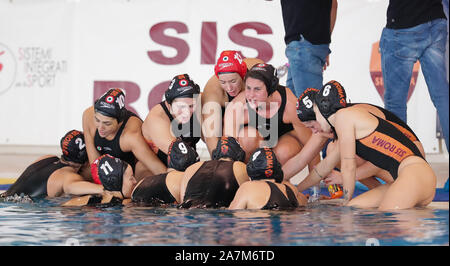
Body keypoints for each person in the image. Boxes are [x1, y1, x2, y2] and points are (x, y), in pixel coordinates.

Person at [299, 82, 436, 210]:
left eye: (316, 115)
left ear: (324, 110)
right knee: (354, 207)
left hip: (414, 175)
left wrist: (345, 199)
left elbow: (348, 167)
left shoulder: (344, 117)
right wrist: (297, 189)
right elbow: (325, 166)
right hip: (405, 179)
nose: (316, 122)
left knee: (389, 216)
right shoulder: (348, 120)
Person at [380, 0, 449, 154]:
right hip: (436, 20)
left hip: (404, 24)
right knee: (443, 98)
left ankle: (397, 167)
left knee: (395, 104)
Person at [223, 63, 320, 167]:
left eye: (257, 89)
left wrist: (316, 180)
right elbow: (227, 151)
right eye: (248, 88)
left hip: (283, 139)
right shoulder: (237, 107)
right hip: (254, 140)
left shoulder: (290, 105)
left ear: (271, 88)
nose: (251, 95)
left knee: (285, 151)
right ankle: (248, 178)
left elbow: (311, 146)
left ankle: (278, 181)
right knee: (247, 139)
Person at [62, 139, 199, 207]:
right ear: (117, 182)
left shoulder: (88, 200)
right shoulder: (128, 204)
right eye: (131, 178)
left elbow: (65, 206)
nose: (135, 181)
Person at [82, 88, 167, 181]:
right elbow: (95, 166)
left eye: (107, 123)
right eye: (97, 120)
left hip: (131, 175)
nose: (100, 127)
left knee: (142, 169)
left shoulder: (131, 136)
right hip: (108, 167)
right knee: (82, 171)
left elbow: (158, 168)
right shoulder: (88, 116)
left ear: (120, 122)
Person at [1, 130, 103, 200]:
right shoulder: (69, 176)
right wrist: (106, 190)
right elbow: (71, 187)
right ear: (86, 161)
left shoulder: (47, 158)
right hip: (17, 210)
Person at [202, 50, 264, 155]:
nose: (229, 88)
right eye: (223, 82)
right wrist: (220, 162)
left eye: (233, 81)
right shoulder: (213, 90)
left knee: (249, 137)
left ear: (244, 75)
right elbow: (210, 134)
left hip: (251, 123)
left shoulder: (259, 73)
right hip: (225, 125)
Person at [280, 0, 338, 97]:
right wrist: (324, 42)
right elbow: (334, 5)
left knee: (309, 107)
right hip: (310, 44)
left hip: (302, 44)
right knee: (294, 106)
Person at [142, 74, 203, 166]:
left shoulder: (200, 101)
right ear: (169, 105)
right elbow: (180, 157)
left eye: (191, 106)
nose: (186, 112)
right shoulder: (157, 118)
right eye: (181, 106)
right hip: (154, 166)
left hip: (187, 163)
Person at [179, 136, 250, 209]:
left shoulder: (192, 168)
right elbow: (245, 201)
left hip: (189, 214)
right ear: (240, 155)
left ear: (215, 154)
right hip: (219, 215)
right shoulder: (240, 167)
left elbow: (182, 201)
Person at [229, 147, 307, 210]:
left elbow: (233, 214)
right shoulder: (291, 189)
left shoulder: (248, 187)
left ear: (251, 169)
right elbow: (305, 201)